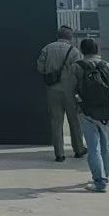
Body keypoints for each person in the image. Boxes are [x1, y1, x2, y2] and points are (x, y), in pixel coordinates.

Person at [70, 38, 109, 193]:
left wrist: (78, 107)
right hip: (107, 114)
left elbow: (71, 91)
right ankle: (105, 176)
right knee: (106, 147)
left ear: (81, 50)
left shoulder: (76, 67)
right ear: (98, 50)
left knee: (93, 148)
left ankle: (99, 181)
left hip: (87, 113)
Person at [36, 25, 84, 162]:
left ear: (58, 35)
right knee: (74, 121)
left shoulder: (47, 48)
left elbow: (40, 67)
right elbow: (79, 72)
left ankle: (59, 153)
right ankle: (78, 149)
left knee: (56, 122)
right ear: (70, 37)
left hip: (52, 90)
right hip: (70, 91)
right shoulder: (74, 51)